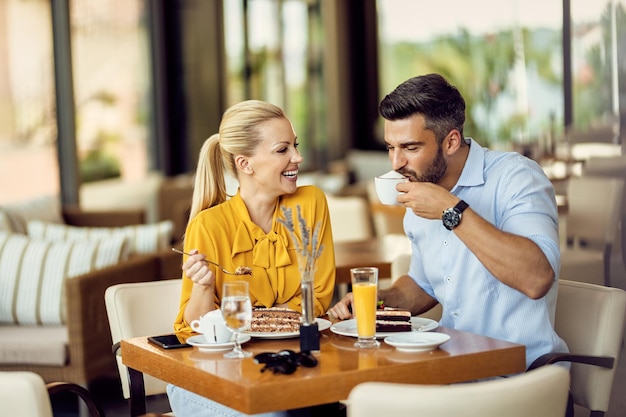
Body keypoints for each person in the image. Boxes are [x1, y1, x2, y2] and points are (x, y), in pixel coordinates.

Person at [329, 73, 568, 369]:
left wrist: (451, 210)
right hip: (452, 366)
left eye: (410, 148)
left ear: (451, 141)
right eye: (391, 147)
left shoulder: (517, 178)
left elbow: (537, 279)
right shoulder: (421, 185)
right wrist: (377, 301)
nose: (396, 163)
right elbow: (423, 285)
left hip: (517, 375)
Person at [168, 100, 338, 417]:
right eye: (282, 149)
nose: (298, 158)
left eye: (295, 146)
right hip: (214, 382)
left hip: (287, 368)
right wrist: (204, 288)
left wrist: (246, 322)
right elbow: (192, 331)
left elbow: (315, 300)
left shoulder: (310, 203)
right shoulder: (209, 225)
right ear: (245, 164)